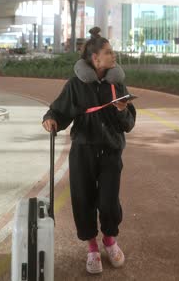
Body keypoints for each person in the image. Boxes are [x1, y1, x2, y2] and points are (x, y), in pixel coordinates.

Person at [42, 27, 136, 274]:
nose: (113, 55)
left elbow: (128, 124)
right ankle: (92, 247)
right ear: (95, 58)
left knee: (108, 202)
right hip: (83, 150)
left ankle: (110, 240)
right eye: (108, 52)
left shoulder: (117, 85)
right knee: (82, 199)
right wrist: (51, 119)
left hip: (111, 151)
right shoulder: (75, 85)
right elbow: (59, 110)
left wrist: (122, 110)